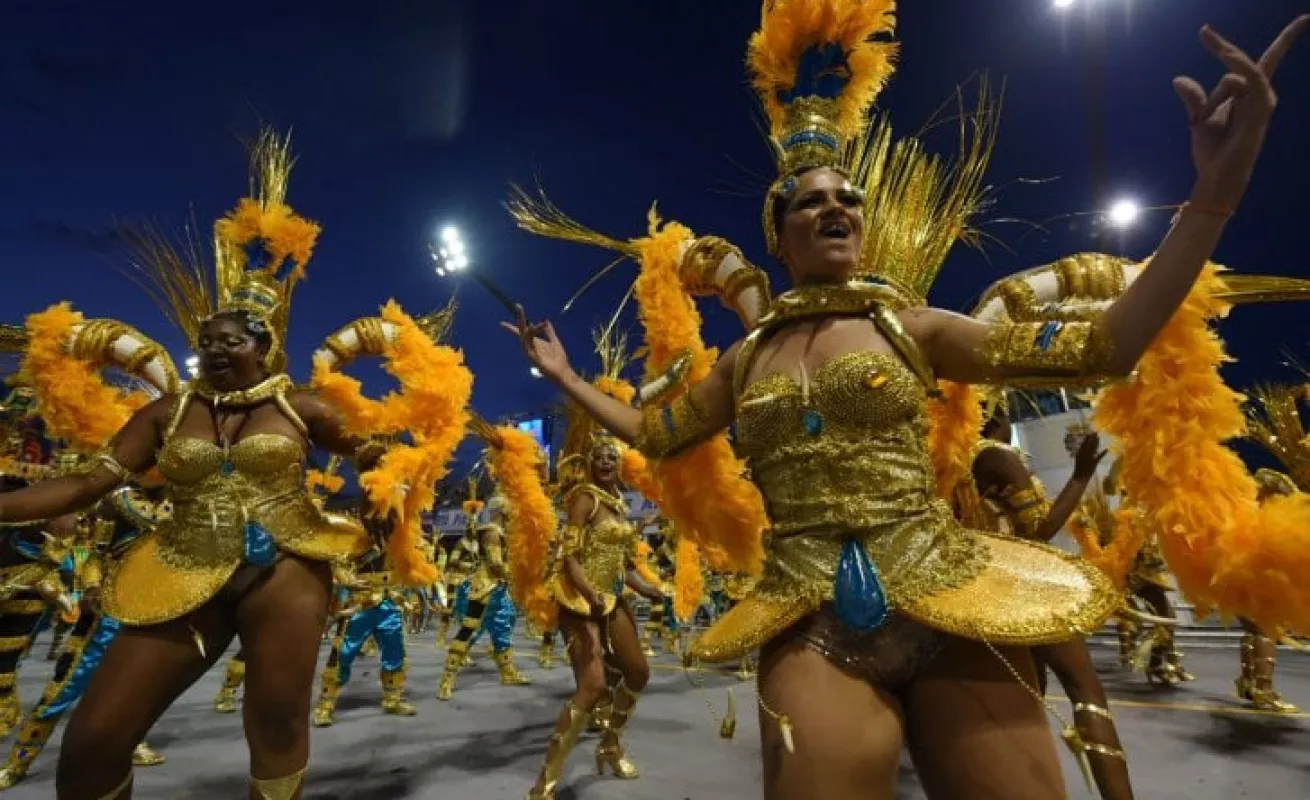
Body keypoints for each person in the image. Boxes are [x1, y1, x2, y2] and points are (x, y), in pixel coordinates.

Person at [505, 5, 1308, 797]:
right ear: (779, 236)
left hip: (946, 594)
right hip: (811, 615)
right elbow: (658, 432)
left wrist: (1213, 198)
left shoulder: (912, 327)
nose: (837, 207)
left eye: (848, 198)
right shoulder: (745, 360)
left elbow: (1105, 347)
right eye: (812, 201)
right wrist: (567, 378)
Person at [0, 129, 454, 799]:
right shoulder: (165, 415)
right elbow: (88, 482)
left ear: (263, 346)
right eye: (205, 341)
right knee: (95, 739)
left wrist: (385, 495)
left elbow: (381, 459)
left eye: (230, 340)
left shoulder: (304, 407)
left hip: (285, 568)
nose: (214, 350)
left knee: (273, 721)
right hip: (181, 567)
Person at [960, 411, 1133, 800]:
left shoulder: (951, 462)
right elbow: (1039, 529)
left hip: (981, 595)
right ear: (995, 417)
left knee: (1023, 706)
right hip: (1027, 587)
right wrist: (1081, 474)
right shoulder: (997, 456)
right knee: (1087, 695)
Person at [0, 484, 169, 789]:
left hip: (154, 615)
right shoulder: (118, 502)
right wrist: (90, 589)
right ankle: (18, 761)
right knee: (60, 693)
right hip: (107, 617)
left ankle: (133, 743)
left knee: (139, 692)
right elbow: (92, 556)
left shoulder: (188, 506)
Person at [526, 435, 664, 799]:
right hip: (577, 600)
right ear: (589, 463)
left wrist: (649, 589)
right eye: (599, 457)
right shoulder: (583, 497)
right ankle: (545, 784)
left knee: (638, 671)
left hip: (611, 597)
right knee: (593, 686)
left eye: (612, 457)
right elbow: (570, 559)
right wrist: (591, 594)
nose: (606, 462)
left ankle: (610, 744)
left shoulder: (617, 502)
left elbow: (624, 564)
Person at [438, 489, 533, 699]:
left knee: (503, 627)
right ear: (502, 509)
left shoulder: (500, 532)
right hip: (484, 590)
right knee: (468, 631)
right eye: (510, 509)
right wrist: (520, 575)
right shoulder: (491, 532)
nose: (513, 513)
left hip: (498, 590)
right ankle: (447, 679)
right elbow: (496, 565)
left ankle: (507, 672)